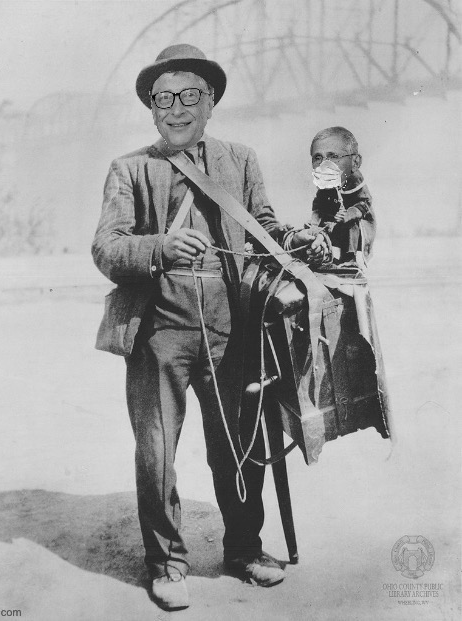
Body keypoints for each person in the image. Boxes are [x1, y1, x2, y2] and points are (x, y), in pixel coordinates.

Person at [92, 43, 327, 611]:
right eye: (164, 98)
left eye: (190, 96)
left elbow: (264, 226)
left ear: (211, 102)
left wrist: (297, 239)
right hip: (159, 334)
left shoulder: (240, 160)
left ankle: (244, 549)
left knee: (241, 445)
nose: (176, 108)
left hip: (232, 329)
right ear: (151, 108)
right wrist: (160, 247)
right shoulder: (130, 168)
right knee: (157, 452)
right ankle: (166, 563)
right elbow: (106, 247)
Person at [308, 126, 376, 266]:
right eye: (318, 158)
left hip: (354, 224)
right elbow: (319, 206)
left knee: (351, 226)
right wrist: (314, 224)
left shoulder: (355, 180)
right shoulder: (325, 181)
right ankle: (325, 257)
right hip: (332, 222)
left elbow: (364, 204)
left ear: (355, 162)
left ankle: (350, 258)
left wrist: (348, 215)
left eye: (334, 156)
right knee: (314, 230)